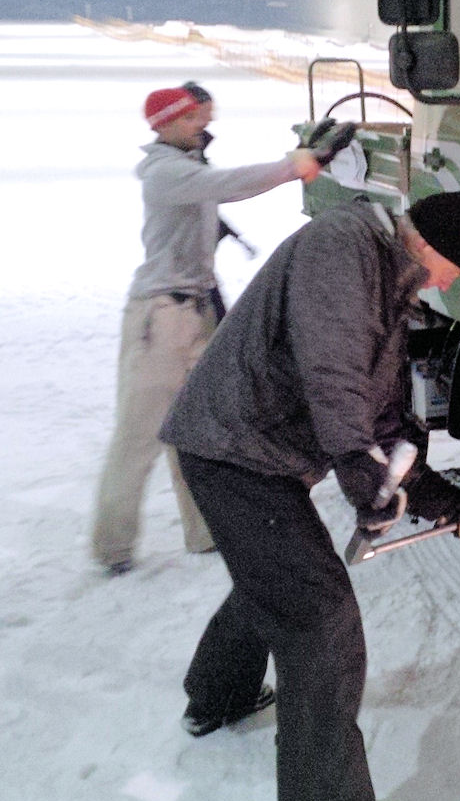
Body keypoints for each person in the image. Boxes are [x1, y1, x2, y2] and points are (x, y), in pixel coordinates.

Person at [159, 185, 460, 801]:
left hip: (250, 452)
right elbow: (332, 374)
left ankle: (215, 697)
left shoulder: (387, 282)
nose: (449, 283)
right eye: (454, 270)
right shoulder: (342, 249)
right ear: (429, 246)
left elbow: (380, 418)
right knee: (318, 614)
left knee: (277, 576)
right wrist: (356, 473)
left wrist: (442, 501)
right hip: (231, 449)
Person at [90, 84, 346, 577]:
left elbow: (210, 193)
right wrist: (296, 164)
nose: (201, 128)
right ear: (163, 124)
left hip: (197, 312)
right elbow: (228, 184)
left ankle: (204, 533)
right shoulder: (165, 172)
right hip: (159, 319)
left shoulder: (188, 165)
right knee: (139, 436)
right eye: (190, 121)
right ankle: (112, 547)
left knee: (194, 430)